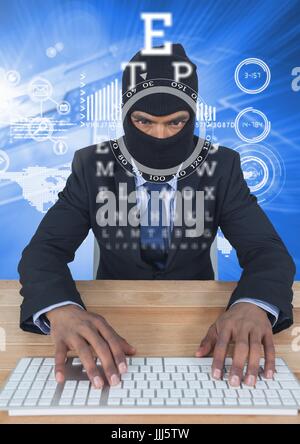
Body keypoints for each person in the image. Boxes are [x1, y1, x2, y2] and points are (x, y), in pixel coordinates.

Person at [18, 44, 296, 391]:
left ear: (192, 115)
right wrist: (61, 309)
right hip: (114, 318)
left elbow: (267, 251)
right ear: (126, 114)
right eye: (144, 122)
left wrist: (252, 305)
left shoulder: (221, 166)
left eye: (176, 122)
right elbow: (44, 251)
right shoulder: (92, 166)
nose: (161, 136)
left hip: (198, 325)